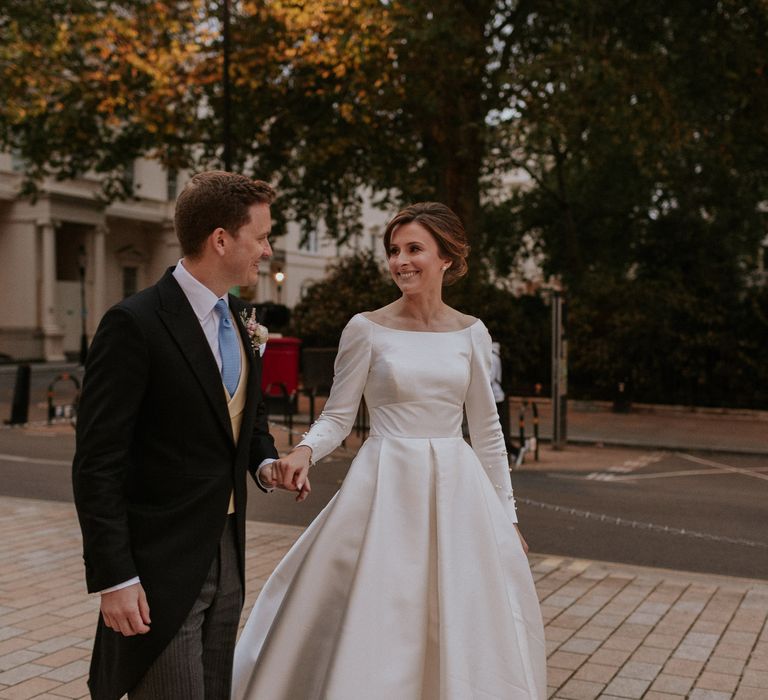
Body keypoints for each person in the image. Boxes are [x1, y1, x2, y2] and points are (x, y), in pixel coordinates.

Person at [232, 202, 546, 699]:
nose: (401, 260)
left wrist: (506, 518)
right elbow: (337, 415)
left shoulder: (472, 333)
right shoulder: (366, 328)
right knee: (381, 611)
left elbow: (487, 433)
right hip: (384, 486)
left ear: (446, 257)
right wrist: (303, 453)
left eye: (414, 249)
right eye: (394, 250)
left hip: (458, 489)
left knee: (460, 613)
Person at [72, 171, 301, 700]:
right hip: (159, 563)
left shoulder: (243, 318)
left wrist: (265, 463)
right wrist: (115, 579)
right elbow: (97, 463)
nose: (267, 250)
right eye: (261, 236)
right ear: (221, 239)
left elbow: (248, 418)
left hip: (226, 550)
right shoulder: (135, 323)